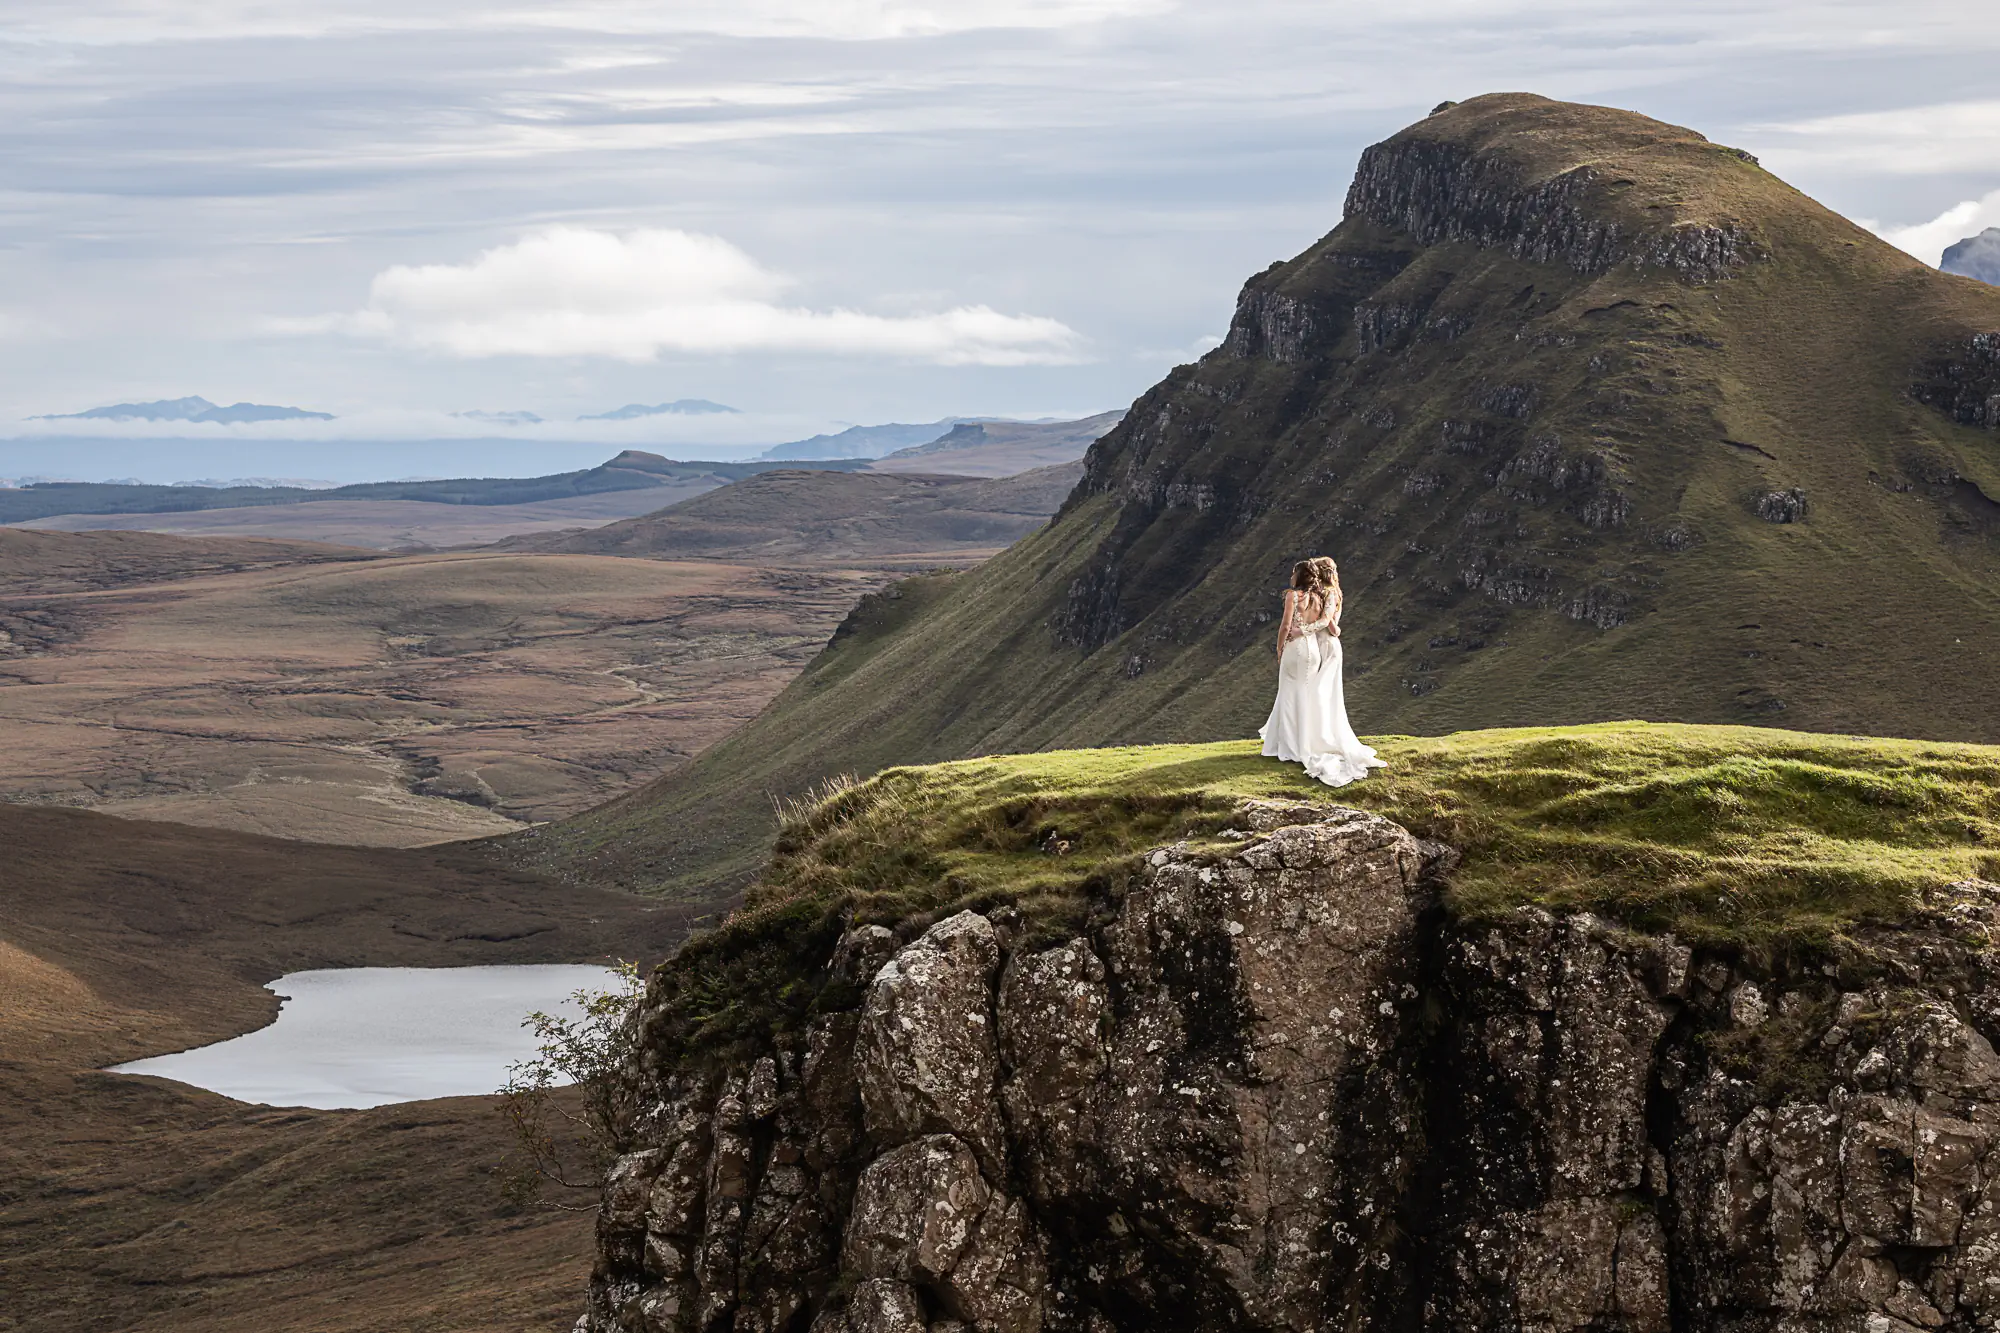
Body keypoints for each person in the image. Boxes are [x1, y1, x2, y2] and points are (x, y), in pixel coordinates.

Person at [1257, 555, 1385, 787]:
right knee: (1307, 694)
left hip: (1304, 646)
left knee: (1295, 693)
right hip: (1314, 649)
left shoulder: (1298, 596)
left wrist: (1283, 645)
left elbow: (1309, 624)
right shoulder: (1319, 596)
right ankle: (1304, 739)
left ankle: (1293, 743)